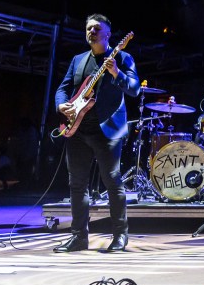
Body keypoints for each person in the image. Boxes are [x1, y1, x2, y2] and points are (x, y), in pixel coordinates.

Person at [54, 14, 141, 252]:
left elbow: (134, 89)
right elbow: (63, 88)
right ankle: (79, 236)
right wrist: (61, 105)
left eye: (96, 28)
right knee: (76, 184)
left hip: (108, 130)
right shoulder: (79, 60)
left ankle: (120, 235)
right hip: (78, 128)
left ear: (108, 34)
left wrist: (117, 74)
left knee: (112, 182)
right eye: (88, 28)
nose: (91, 31)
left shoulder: (122, 57)